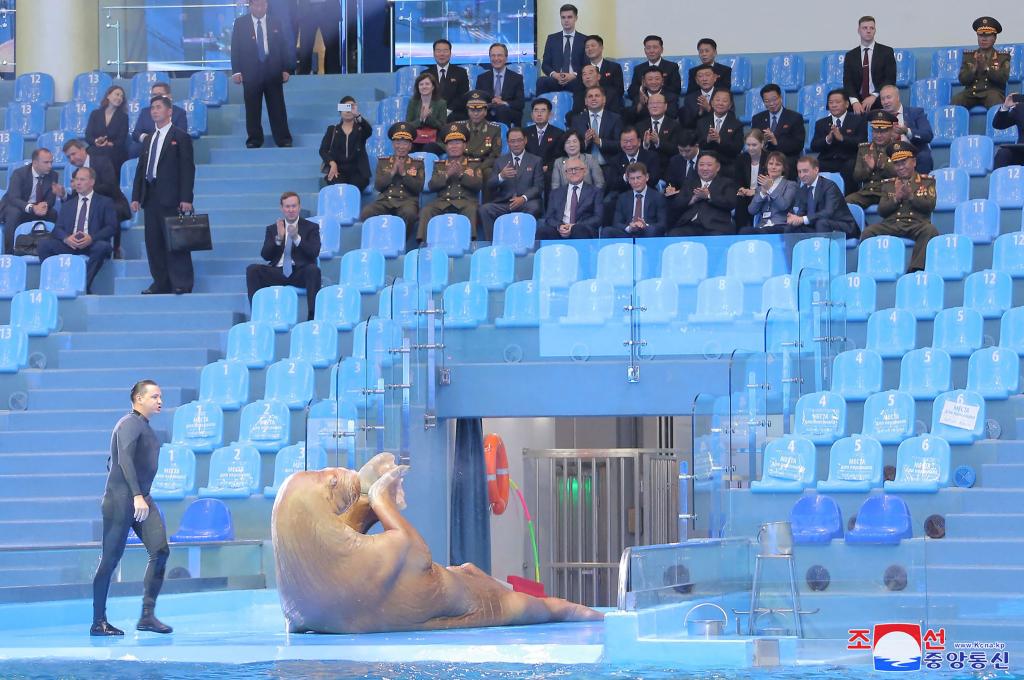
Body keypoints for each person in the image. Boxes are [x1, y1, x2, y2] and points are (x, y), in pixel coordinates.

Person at [91, 379, 172, 637]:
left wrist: (141, 495)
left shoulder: (143, 427)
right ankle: (98, 621)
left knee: (160, 550)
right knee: (110, 559)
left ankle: (147, 616)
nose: (160, 401)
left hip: (141, 498)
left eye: (161, 397)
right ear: (139, 399)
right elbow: (122, 458)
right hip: (122, 500)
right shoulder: (128, 423)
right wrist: (135, 494)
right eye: (154, 397)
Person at [130, 96, 196, 295]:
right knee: (154, 242)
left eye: (158, 107)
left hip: (172, 196)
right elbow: (141, 168)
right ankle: (160, 282)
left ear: (169, 112)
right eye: (152, 108)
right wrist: (136, 196)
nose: (154, 111)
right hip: (151, 196)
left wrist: (186, 198)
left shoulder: (180, 136)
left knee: (176, 241)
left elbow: (187, 168)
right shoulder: (149, 138)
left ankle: (181, 282)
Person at [36, 167, 117, 293]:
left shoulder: (105, 202)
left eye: (82, 179)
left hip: (92, 243)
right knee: (43, 245)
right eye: (76, 180)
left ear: (92, 182)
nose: (78, 183)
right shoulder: (68, 204)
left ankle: (83, 286)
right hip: (71, 244)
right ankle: (56, 283)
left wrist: (92, 238)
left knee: (102, 247)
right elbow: (57, 229)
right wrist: (66, 239)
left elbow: (112, 227)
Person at [861, 141, 938, 273]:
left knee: (930, 230)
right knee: (868, 232)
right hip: (892, 224)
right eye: (897, 163)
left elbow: (930, 206)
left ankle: (915, 269)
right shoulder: (888, 184)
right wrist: (896, 198)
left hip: (916, 224)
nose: (900, 167)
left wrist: (911, 197)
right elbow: (882, 211)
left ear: (913, 162)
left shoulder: (927, 182)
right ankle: (872, 267)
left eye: (904, 162)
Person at [247, 192, 321, 319]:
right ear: (282, 208)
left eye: (294, 206)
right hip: (278, 272)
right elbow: (265, 255)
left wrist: (296, 238)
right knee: (253, 270)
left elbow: (314, 252)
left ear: (299, 207)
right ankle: (257, 315)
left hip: (300, 272)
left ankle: (312, 316)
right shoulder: (272, 228)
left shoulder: (311, 227)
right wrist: (278, 238)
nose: (291, 210)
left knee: (314, 270)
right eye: (287, 207)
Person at [231, 0, 293, 149]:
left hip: (273, 70)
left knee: (277, 106)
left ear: (267, 5)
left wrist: (286, 68)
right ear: (250, 5)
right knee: (252, 108)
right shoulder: (240, 23)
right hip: (250, 71)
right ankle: (254, 139)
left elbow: (283, 46)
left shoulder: (275, 21)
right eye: (256, 5)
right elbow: (235, 48)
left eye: (263, 5)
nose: (260, 8)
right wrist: (236, 71)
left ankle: (283, 139)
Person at [57, 139, 131, 255]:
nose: (71, 159)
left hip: (112, 202)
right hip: (92, 205)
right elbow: (77, 198)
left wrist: (88, 189)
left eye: (73, 154)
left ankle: (115, 249)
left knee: (109, 211)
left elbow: (110, 186)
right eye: (68, 157)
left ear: (82, 150)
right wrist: (64, 195)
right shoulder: (77, 173)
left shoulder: (102, 162)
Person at [359, 122, 424, 248]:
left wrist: (404, 173)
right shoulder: (383, 162)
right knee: (366, 212)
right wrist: (392, 172)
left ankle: (398, 244)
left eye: (405, 143)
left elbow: (418, 188)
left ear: (410, 146)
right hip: (385, 201)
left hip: (407, 201)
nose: (401, 146)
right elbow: (378, 186)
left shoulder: (417, 164)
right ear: (393, 144)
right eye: (398, 142)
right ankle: (377, 242)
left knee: (410, 213)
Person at [418, 124, 483, 241]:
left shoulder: (473, 164)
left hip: (465, 202)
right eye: (450, 143)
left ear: (465, 145)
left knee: (471, 209)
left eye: (457, 143)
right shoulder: (440, 165)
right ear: (446, 146)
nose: (454, 146)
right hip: (443, 202)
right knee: (427, 210)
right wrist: (447, 174)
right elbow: (431, 186)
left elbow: (477, 185)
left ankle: (471, 242)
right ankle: (422, 244)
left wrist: (461, 174)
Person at [479, 128, 544, 241]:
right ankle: (492, 243)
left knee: (534, 207)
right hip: (505, 203)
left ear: (525, 140)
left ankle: (525, 242)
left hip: (526, 203)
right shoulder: (500, 161)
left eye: (519, 140)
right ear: (508, 143)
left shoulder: (536, 160)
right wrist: (501, 177)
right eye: (512, 141)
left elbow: (538, 186)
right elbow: (490, 185)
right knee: (485, 209)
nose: (516, 144)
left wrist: (523, 198)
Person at [0, 148, 59, 255]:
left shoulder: (53, 175)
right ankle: (9, 253)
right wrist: (32, 208)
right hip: (16, 206)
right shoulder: (19, 174)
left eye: (51, 162)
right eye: (46, 162)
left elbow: (51, 200)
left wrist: (45, 205)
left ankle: (49, 249)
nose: (50, 166)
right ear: (35, 163)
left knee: (53, 213)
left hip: (37, 209)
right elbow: (13, 198)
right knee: (14, 213)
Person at [666, 151, 737, 237]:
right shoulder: (690, 182)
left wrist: (708, 196)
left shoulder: (726, 183)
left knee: (716, 239)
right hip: (690, 225)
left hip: (715, 226)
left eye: (709, 165)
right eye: (701, 165)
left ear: (717, 167)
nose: (704, 168)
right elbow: (677, 204)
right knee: (675, 234)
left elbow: (730, 203)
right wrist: (692, 200)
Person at [786, 156, 860, 237]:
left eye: (805, 171)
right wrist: (795, 218)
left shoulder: (829, 186)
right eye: (799, 172)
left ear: (816, 170)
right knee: (791, 227)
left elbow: (828, 212)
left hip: (842, 226)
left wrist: (803, 219)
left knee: (822, 223)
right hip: (817, 227)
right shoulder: (803, 190)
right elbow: (802, 213)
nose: (802, 175)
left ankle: (821, 249)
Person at [810, 88, 868, 192]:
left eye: (837, 102)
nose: (834, 105)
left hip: (848, 159)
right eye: (831, 102)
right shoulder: (821, 123)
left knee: (850, 167)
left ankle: (848, 199)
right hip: (827, 160)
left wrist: (842, 138)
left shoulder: (858, 120)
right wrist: (827, 139)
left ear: (846, 104)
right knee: (811, 166)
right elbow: (814, 146)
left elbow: (862, 142)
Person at [602, 126, 660, 222]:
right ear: (620, 142)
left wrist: (639, 181)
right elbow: (612, 183)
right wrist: (626, 177)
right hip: (622, 194)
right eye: (625, 141)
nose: (628, 145)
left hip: (646, 193)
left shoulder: (651, 156)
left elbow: (654, 179)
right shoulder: (615, 160)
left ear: (639, 141)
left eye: (631, 141)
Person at [952, 17, 1011, 109]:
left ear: (995, 38)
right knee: (957, 99)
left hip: (991, 92)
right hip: (972, 93)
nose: (983, 39)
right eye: (980, 36)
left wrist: (986, 68)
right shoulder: (969, 56)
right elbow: (962, 80)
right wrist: (973, 69)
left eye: (987, 36)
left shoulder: (1002, 57)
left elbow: (1003, 79)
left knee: (995, 99)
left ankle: (995, 123)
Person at [537, 157, 602, 240]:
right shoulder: (555, 193)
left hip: (583, 229)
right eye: (570, 170)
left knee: (578, 229)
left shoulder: (595, 192)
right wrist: (559, 226)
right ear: (565, 173)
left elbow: (598, 218)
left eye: (577, 169)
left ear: (584, 171)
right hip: (560, 230)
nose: (573, 172)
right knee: (543, 231)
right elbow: (549, 217)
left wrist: (574, 226)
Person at [843, 16, 897, 114]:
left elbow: (890, 79)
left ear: (875, 30)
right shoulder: (850, 55)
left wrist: (874, 96)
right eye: (865, 28)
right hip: (857, 101)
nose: (868, 31)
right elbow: (848, 82)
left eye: (871, 28)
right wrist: (854, 102)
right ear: (858, 30)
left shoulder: (886, 52)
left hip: (879, 98)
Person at [846, 110, 898, 208]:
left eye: (883, 131)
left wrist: (883, 166)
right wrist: (868, 169)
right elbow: (857, 177)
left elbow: (901, 174)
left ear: (891, 131)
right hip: (868, 193)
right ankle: (862, 224)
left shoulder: (898, 148)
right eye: (875, 131)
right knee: (846, 203)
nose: (878, 135)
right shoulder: (864, 149)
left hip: (889, 193)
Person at [751, 84, 805, 179]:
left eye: (774, 99)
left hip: (786, 157)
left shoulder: (795, 117)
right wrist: (764, 141)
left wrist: (776, 142)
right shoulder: (757, 119)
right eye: (767, 101)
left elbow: (798, 145)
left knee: (788, 164)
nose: (771, 104)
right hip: (765, 157)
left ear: (781, 97)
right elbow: (753, 141)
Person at [879, 85, 934, 174]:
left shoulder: (915, 113)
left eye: (888, 97)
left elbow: (928, 135)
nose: (886, 102)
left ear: (898, 97)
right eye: (883, 99)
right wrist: (888, 138)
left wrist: (907, 131)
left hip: (913, 153)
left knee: (924, 157)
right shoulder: (880, 118)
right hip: (890, 155)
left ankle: (921, 187)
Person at [319, 96, 372, 189]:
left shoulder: (361, 129)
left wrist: (357, 115)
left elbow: (369, 131)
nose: (348, 111)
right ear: (340, 110)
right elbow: (323, 150)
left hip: (358, 171)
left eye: (351, 107)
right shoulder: (332, 130)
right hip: (338, 170)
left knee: (354, 187)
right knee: (339, 187)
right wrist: (332, 163)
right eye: (345, 107)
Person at [603, 162, 666, 238]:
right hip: (628, 233)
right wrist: (629, 227)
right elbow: (616, 223)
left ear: (647, 177)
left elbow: (663, 224)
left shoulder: (657, 197)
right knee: (607, 231)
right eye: (632, 179)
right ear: (628, 180)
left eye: (638, 177)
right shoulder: (622, 197)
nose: (635, 182)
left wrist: (645, 225)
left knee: (651, 230)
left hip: (647, 232)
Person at [537, 3, 586, 95]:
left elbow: (586, 64)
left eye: (569, 17)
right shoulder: (552, 39)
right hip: (556, 79)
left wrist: (573, 75)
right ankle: (540, 109)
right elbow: (545, 65)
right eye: (563, 17)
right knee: (541, 81)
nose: (566, 20)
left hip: (575, 79)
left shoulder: (584, 40)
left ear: (576, 18)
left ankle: (578, 109)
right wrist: (555, 75)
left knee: (582, 83)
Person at [744, 152, 797, 234]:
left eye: (778, 164)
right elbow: (751, 210)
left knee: (764, 232)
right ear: (767, 166)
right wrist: (762, 193)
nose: (773, 167)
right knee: (744, 231)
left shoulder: (790, 185)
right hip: (762, 226)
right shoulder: (760, 187)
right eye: (771, 164)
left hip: (781, 225)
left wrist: (770, 189)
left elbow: (784, 205)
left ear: (783, 168)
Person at [568, 86, 622, 166]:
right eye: (590, 96)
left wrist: (599, 141)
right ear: (586, 101)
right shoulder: (577, 120)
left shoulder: (615, 119)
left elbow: (620, 144)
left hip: (608, 166)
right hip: (584, 168)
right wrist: (585, 142)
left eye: (597, 96)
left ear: (604, 100)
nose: (593, 99)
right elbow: (570, 146)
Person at [694, 90, 744, 175]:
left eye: (724, 101)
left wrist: (720, 140)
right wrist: (708, 140)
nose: (720, 103)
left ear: (730, 105)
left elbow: (737, 149)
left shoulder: (737, 125)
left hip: (727, 166)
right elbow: (698, 146)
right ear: (712, 103)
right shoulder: (701, 122)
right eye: (717, 100)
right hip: (706, 166)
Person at [475, 44, 525, 127]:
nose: (496, 59)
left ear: (506, 58)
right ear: (490, 58)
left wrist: (503, 103)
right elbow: (478, 101)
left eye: (499, 55)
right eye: (493, 56)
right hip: (488, 112)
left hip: (510, 113)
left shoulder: (516, 78)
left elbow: (520, 103)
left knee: (501, 110)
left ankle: (502, 139)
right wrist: (491, 103)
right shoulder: (482, 78)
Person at [84, 84, 130, 174]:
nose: (119, 98)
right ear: (108, 96)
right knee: (90, 152)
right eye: (117, 94)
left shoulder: (123, 117)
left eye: (122, 96)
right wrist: (96, 141)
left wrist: (109, 143)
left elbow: (121, 139)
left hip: (114, 149)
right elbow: (88, 136)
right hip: (96, 148)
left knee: (108, 154)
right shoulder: (95, 114)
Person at [423, 39, 470, 121]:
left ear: (450, 53)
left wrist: (447, 111)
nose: (442, 54)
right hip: (432, 114)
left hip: (455, 114)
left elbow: (463, 96)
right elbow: (424, 97)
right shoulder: (425, 74)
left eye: (445, 51)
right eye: (438, 51)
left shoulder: (461, 72)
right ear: (434, 53)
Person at [463, 91, 503, 181]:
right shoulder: (460, 128)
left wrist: (479, 168)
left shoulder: (494, 129)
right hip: (464, 163)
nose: (475, 114)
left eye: (479, 110)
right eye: (472, 110)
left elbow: (495, 155)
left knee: (488, 173)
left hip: (483, 164)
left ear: (485, 112)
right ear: (468, 111)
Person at [628, 35, 681, 101]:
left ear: (661, 50)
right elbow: (631, 91)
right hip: (645, 103)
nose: (651, 51)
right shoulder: (638, 69)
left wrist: (656, 90)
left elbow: (676, 89)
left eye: (655, 47)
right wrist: (643, 89)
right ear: (645, 50)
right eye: (648, 48)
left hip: (665, 102)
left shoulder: (672, 66)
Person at [405, 73, 447, 156]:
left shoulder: (441, 103)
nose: (424, 86)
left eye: (427, 84)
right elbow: (408, 126)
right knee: (408, 147)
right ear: (418, 87)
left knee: (428, 148)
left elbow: (442, 127)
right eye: (421, 84)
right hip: (417, 139)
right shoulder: (413, 102)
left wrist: (428, 118)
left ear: (433, 87)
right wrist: (421, 119)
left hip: (435, 140)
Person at [295, 0, 341, 74]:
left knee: (333, 49)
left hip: (329, 8)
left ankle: (333, 81)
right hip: (307, 9)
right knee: (305, 49)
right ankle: (303, 81)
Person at [663, 129, 701, 217]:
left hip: (699, 200)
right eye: (680, 150)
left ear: (696, 146)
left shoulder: (706, 160)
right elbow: (670, 182)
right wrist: (670, 188)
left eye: (687, 151)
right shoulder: (675, 160)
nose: (684, 154)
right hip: (680, 201)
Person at [734, 130, 767, 229]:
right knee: (740, 201)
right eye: (748, 145)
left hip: (763, 194)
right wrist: (741, 189)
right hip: (745, 194)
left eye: (754, 145)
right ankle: (740, 234)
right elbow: (737, 179)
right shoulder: (741, 158)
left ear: (762, 144)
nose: (750, 148)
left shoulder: (769, 158)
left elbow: (772, 182)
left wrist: (755, 191)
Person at [636, 92, 679, 166]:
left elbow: (676, 149)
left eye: (658, 103)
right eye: (651, 103)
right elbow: (634, 149)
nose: (654, 106)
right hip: (645, 166)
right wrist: (645, 145)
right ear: (647, 106)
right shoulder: (639, 126)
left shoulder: (675, 125)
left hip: (667, 166)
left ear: (665, 106)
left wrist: (658, 143)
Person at [583, 35, 624, 111]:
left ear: (601, 48)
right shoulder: (582, 69)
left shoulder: (614, 67)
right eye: (587, 47)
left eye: (593, 46)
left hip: (611, 107)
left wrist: (600, 103)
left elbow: (619, 91)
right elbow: (580, 92)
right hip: (588, 108)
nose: (590, 49)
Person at [524, 98, 565, 174]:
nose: (539, 114)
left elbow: (560, 157)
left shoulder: (559, 134)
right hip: (528, 171)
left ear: (550, 115)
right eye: (536, 111)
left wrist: (548, 167)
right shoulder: (524, 133)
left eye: (543, 111)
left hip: (550, 172)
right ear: (532, 115)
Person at [681, 64, 720, 129]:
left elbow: (729, 117)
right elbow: (686, 124)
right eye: (700, 76)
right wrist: (699, 113)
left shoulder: (724, 95)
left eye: (707, 75)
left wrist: (709, 109)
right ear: (696, 81)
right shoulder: (689, 98)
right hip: (697, 135)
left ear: (715, 78)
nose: (704, 79)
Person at [992, 92, 1024, 168]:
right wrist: (1005, 107)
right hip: (1022, 151)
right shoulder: (1021, 107)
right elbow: (999, 124)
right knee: (1003, 153)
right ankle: (999, 179)